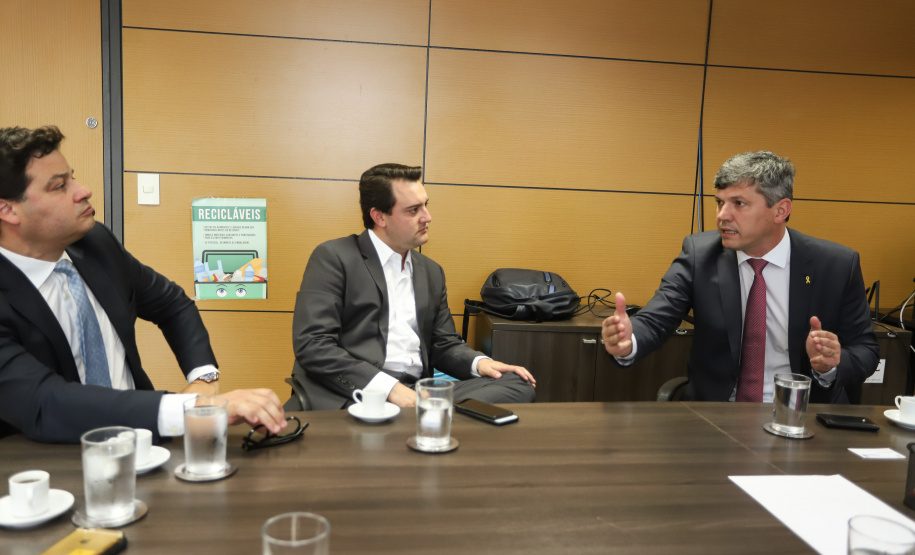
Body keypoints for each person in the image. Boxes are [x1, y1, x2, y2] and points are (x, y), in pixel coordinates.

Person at [0, 125, 286, 443]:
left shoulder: (96, 244)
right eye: (60, 186)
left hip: (145, 444)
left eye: (73, 178)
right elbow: (44, 402)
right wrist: (190, 409)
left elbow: (172, 303)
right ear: (8, 209)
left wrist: (204, 378)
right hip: (45, 459)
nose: (83, 191)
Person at [601, 151, 878, 403]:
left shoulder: (836, 265)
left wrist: (830, 365)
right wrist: (629, 341)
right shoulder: (700, 255)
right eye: (720, 202)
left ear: (780, 210)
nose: (723, 215)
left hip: (800, 414)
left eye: (739, 203)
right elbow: (656, 320)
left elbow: (866, 350)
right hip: (716, 415)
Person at [290, 163, 536, 410]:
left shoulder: (431, 271)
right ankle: (428, 415)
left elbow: (444, 343)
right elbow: (313, 345)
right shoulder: (334, 257)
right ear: (379, 217)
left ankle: (421, 414)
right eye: (413, 210)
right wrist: (390, 389)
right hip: (357, 391)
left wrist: (479, 363)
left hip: (417, 391)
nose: (427, 217)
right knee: (422, 410)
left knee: (517, 383)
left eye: (425, 205)